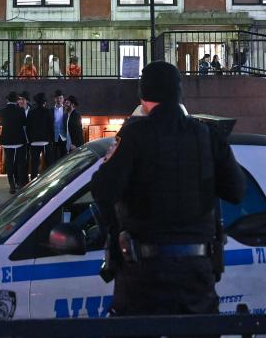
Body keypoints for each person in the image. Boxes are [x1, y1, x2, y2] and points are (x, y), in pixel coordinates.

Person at [90, 61, 245, 318]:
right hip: (196, 272)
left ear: (144, 95)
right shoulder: (207, 135)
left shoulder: (134, 135)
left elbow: (102, 190)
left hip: (144, 273)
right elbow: (236, 191)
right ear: (179, 93)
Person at [0, 91, 27, 194]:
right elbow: (24, 122)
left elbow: (1, 123)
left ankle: (11, 185)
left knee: (9, 162)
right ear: (16, 100)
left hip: (6, 140)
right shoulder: (20, 110)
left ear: (7, 100)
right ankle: (19, 183)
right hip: (19, 140)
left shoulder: (1, 111)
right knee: (19, 162)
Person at [26, 92, 51, 180]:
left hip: (34, 142)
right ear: (44, 102)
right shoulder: (48, 111)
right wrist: (50, 139)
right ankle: (47, 181)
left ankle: (33, 181)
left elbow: (28, 127)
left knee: (34, 164)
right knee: (47, 163)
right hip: (45, 141)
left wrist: (30, 139)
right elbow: (51, 126)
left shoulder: (31, 112)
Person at [49, 89, 68, 165]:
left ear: (63, 99)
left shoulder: (66, 109)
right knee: (53, 158)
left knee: (64, 157)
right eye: (57, 98)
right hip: (54, 137)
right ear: (54, 99)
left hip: (64, 136)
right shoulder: (50, 110)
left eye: (60, 98)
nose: (59, 100)